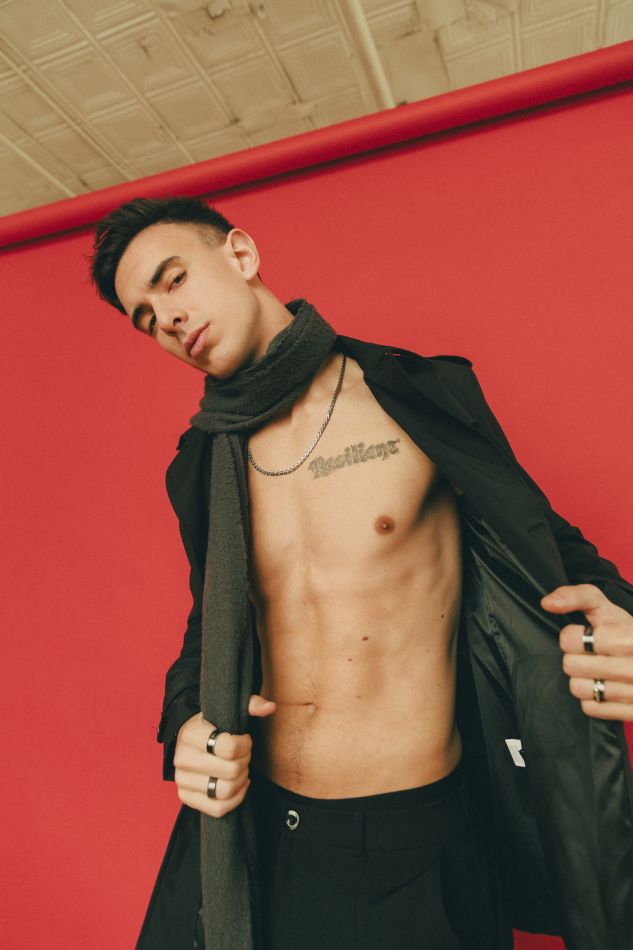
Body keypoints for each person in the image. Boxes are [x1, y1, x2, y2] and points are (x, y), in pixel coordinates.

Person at [89, 196, 633, 950]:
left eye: (173, 280)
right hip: (274, 839)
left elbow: (551, 551)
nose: (169, 319)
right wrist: (184, 721)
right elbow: (208, 624)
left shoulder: (414, 397)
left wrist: (624, 621)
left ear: (240, 255)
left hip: (426, 842)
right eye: (146, 318)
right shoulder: (200, 464)